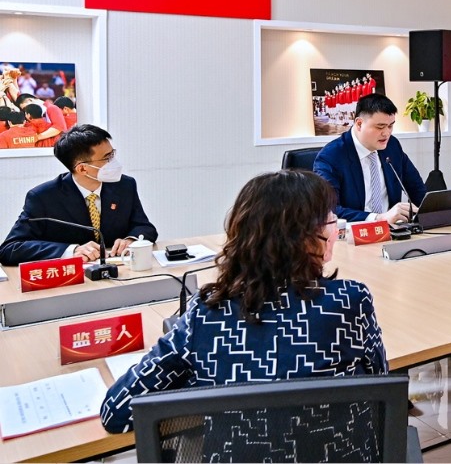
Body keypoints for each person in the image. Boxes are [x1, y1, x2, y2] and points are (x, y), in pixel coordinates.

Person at [100, 170, 388, 434]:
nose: (335, 230)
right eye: (330, 221)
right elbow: (379, 385)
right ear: (306, 238)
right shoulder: (349, 301)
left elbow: (116, 412)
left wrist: (199, 378)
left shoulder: (206, 313)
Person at [0, 124, 157, 265]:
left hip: (119, 272)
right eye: (107, 158)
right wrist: (71, 250)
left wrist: (132, 240)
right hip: (70, 278)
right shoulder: (43, 197)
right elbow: (10, 249)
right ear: (82, 168)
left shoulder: (124, 185)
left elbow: (144, 226)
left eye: (112, 154)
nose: (113, 162)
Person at [314, 93, 426, 225]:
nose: (387, 133)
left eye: (390, 126)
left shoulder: (392, 146)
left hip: (393, 231)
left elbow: (417, 189)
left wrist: (431, 211)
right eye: (380, 127)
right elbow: (329, 210)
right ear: (359, 124)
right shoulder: (331, 156)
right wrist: (378, 218)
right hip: (354, 232)